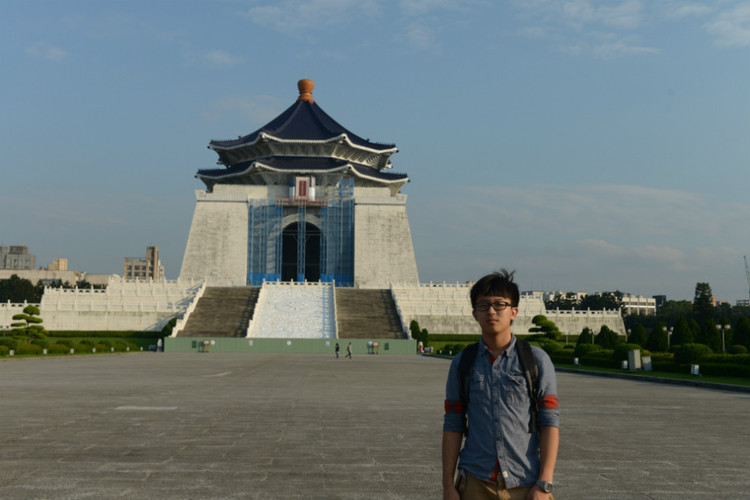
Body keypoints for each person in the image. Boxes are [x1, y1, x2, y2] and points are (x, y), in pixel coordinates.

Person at [442, 270, 559, 500]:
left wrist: (544, 483)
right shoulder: (462, 363)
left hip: (525, 483)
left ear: (514, 311)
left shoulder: (536, 360)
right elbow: (453, 424)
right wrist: (448, 486)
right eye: (483, 305)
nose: (491, 311)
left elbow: (549, 422)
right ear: (475, 313)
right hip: (476, 482)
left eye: (499, 304)